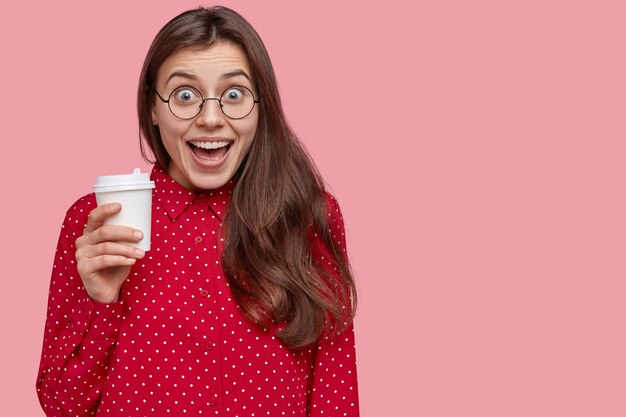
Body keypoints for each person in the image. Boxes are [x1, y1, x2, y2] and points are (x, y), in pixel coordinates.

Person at [36, 6, 359, 417]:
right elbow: (62, 406)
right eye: (185, 95)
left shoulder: (308, 215)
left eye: (234, 95)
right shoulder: (96, 221)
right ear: (152, 108)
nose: (210, 118)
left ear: (261, 108)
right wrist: (103, 301)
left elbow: (336, 396)